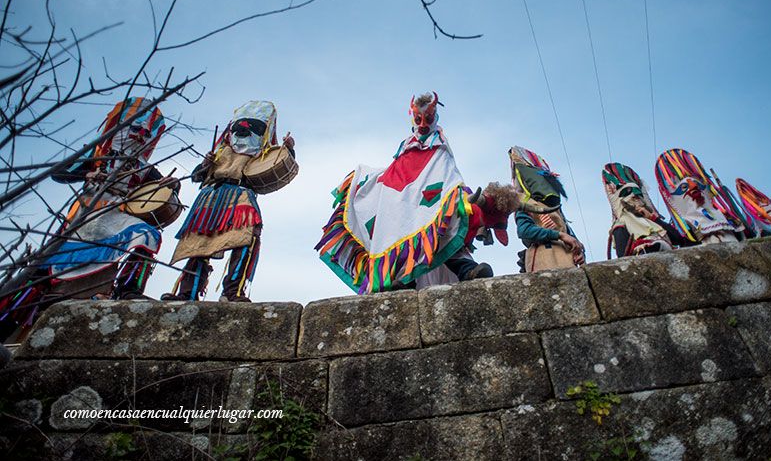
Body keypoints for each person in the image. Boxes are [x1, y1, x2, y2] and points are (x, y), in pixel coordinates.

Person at [0, 97, 176, 336]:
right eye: (135, 129)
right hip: (86, 216)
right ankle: (7, 322)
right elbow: (60, 172)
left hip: (117, 216)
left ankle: (128, 289)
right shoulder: (98, 153)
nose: (139, 136)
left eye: (146, 134)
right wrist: (90, 173)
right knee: (44, 270)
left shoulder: (145, 167)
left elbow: (162, 188)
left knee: (148, 234)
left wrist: (170, 185)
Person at [315, 92, 492, 294]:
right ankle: (402, 281)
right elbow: (396, 172)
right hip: (399, 198)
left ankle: (467, 270)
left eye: (429, 118)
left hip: (428, 198)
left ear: (436, 117)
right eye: (418, 119)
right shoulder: (406, 147)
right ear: (412, 117)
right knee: (396, 232)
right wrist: (372, 182)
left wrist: (455, 193)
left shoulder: (440, 148)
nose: (423, 124)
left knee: (441, 227)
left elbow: (448, 176)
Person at [163, 100, 295, 302]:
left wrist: (288, 150)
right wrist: (206, 165)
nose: (244, 129)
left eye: (254, 127)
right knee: (198, 243)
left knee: (246, 238)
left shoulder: (264, 153)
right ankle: (187, 292)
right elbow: (196, 177)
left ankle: (233, 291)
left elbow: (278, 165)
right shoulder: (220, 151)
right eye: (240, 125)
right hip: (210, 197)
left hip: (241, 196)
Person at [509, 146, 585, 273]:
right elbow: (524, 231)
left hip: (566, 258)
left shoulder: (556, 209)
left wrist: (577, 249)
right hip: (544, 256)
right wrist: (559, 235)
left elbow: (568, 233)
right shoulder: (525, 204)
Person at [602, 162, 694, 258]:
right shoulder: (621, 224)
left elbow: (677, 239)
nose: (635, 196)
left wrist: (653, 218)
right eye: (629, 192)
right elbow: (623, 257)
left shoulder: (652, 220)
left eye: (638, 194)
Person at [655, 148, 745, 244]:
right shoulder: (685, 228)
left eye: (696, 182)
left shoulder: (727, 218)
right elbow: (677, 239)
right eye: (683, 187)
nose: (693, 186)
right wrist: (655, 219)